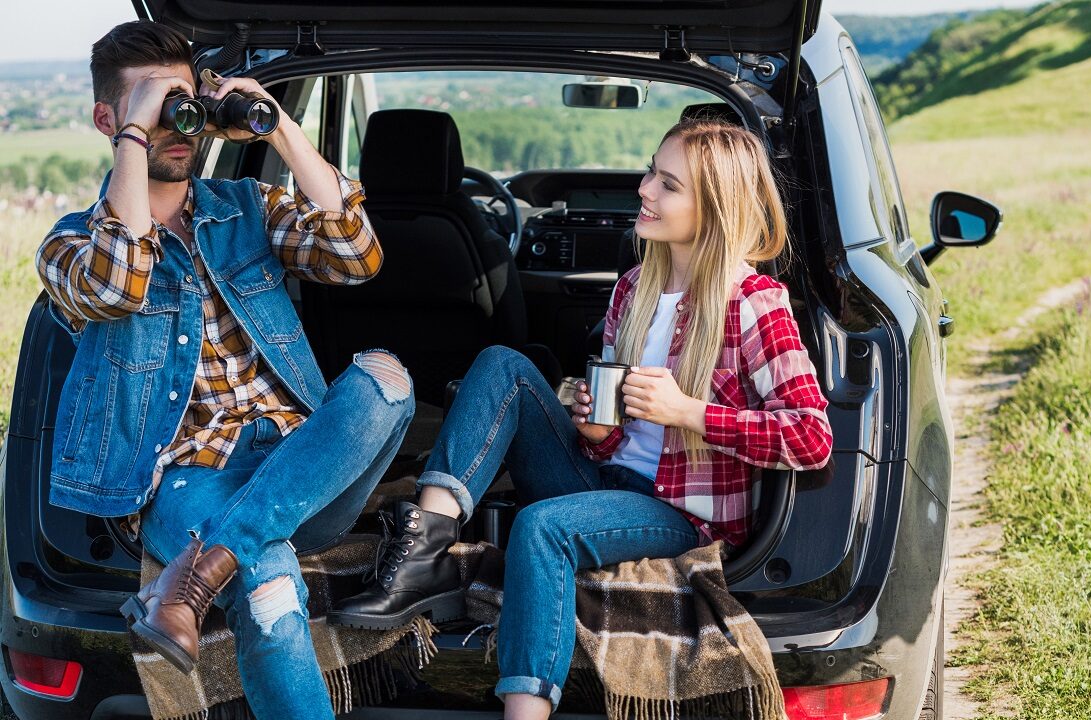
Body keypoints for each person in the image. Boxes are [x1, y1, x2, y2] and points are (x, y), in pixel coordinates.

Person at [330, 120, 835, 719]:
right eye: (652, 171)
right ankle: (423, 554)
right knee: (503, 365)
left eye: (668, 185)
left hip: (678, 512)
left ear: (716, 207)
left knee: (541, 527)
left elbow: (811, 438)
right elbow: (617, 433)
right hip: (608, 482)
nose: (644, 189)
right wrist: (598, 431)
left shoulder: (754, 304)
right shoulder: (633, 289)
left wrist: (689, 413)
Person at [35, 21, 413, 720]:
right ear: (107, 121)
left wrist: (279, 128)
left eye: (186, 105)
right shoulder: (69, 244)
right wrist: (136, 137)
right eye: (152, 108)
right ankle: (232, 555)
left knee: (386, 378)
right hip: (187, 480)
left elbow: (356, 253)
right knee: (269, 589)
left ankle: (195, 577)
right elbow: (116, 286)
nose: (179, 127)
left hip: (301, 467)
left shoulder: (246, 207)